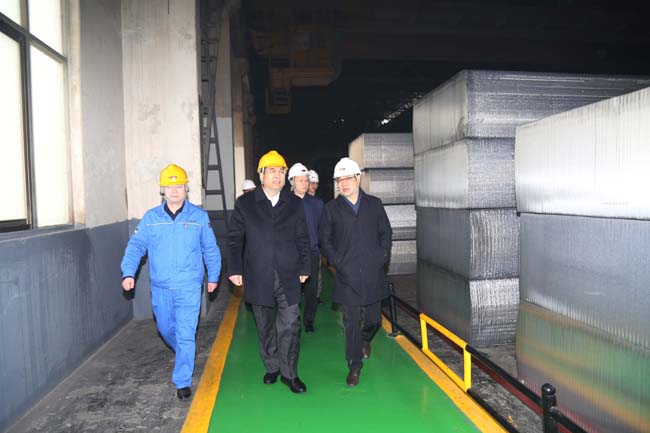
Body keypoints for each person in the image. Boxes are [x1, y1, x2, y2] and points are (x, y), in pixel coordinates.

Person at [120, 164, 221, 400]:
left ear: (186, 189)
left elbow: (210, 248)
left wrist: (214, 276)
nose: (175, 191)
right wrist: (128, 273)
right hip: (161, 287)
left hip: (189, 286)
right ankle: (185, 351)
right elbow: (136, 247)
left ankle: (182, 381)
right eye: (170, 186)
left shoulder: (198, 217)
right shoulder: (151, 218)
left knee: (186, 333)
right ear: (162, 190)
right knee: (165, 329)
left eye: (179, 186)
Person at [228, 150, 311, 394]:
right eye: (271, 171)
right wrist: (234, 268)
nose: (277, 175)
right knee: (264, 326)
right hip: (258, 274)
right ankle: (272, 366)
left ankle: (289, 373)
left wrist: (305, 266)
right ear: (261, 175)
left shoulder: (294, 203)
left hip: (289, 274)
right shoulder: (245, 204)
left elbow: (303, 238)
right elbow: (235, 239)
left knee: (290, 324)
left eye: (281, 171)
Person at [318, 157, 392, 387]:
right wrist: (337, 261)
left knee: (373, 320)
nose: (343, 183)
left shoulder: (374, 205)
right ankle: (354, 365)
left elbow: (386, 233)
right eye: (339, 180)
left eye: (348, 178)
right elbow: (325, 240)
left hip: (372, 272)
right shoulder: (331, 209)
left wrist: (381, 256)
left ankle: (365, 339)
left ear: (358, 178)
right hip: (347, 275)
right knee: (351, 322)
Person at [288, 163, 324, 333]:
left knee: (311, 289)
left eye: (306, 180)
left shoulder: (317, 204)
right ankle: (292, 319)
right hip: (291, 254)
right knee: (292, 288)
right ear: (292, 182)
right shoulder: (284, 203)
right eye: (300, 180)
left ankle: (309, 320)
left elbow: (322, 228)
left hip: (311, 253)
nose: (304, 183)